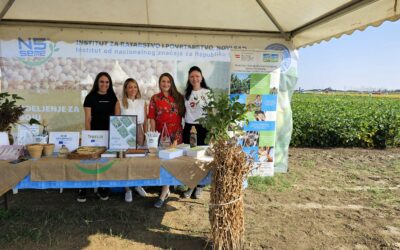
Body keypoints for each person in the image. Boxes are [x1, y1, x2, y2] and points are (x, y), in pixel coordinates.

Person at [78, 72, 120, 203]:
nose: (104, 84)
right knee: (89, 161)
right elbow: (88, 119)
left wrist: (115, 137)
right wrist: (88, 137)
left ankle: (103, 187)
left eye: (107, 82)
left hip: (108, 135)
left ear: (110, 84)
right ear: (97, 82)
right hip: (94, 134)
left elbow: (117, 119)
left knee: (105, 161)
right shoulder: (90, 97)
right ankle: (83, 188)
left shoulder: (113, 97)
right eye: (102, 81)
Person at [148, 73, 185, 208]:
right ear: (160, 83)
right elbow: (151, 118)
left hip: (176, 135)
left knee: (173, 162)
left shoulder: (179, 98)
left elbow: (185, 115)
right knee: (164, 162)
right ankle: (165, 190)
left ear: (172, 83)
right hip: (161, 136)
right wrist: (153, 135)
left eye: (168, 81)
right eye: (163, 81)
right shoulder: (155, 98)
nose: (165, 84)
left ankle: (167, 190)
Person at [182, 66, 211, 199]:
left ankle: (200, 186)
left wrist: (211, 132)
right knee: (191, 157)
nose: (195, 79)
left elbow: (211, 113)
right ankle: (191, 185)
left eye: (197, 76)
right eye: (192, 76)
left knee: (202, 157)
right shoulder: (186, 94)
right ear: (189, 78)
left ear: (201, 77)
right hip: (190, 128)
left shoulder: (207, 92)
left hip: (203, 128)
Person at [119, 78, 148, 202]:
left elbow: (145, 121)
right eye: (130, 87)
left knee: (138, 160)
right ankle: (127, 189)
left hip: (139, 131)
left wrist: (145, 135)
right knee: (126, 161)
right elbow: (116, 120)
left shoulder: (142, 102)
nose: (133, 89)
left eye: (135, 87)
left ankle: (137, 184)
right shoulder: (120, 102)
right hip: (125, 131)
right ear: (125, 89)